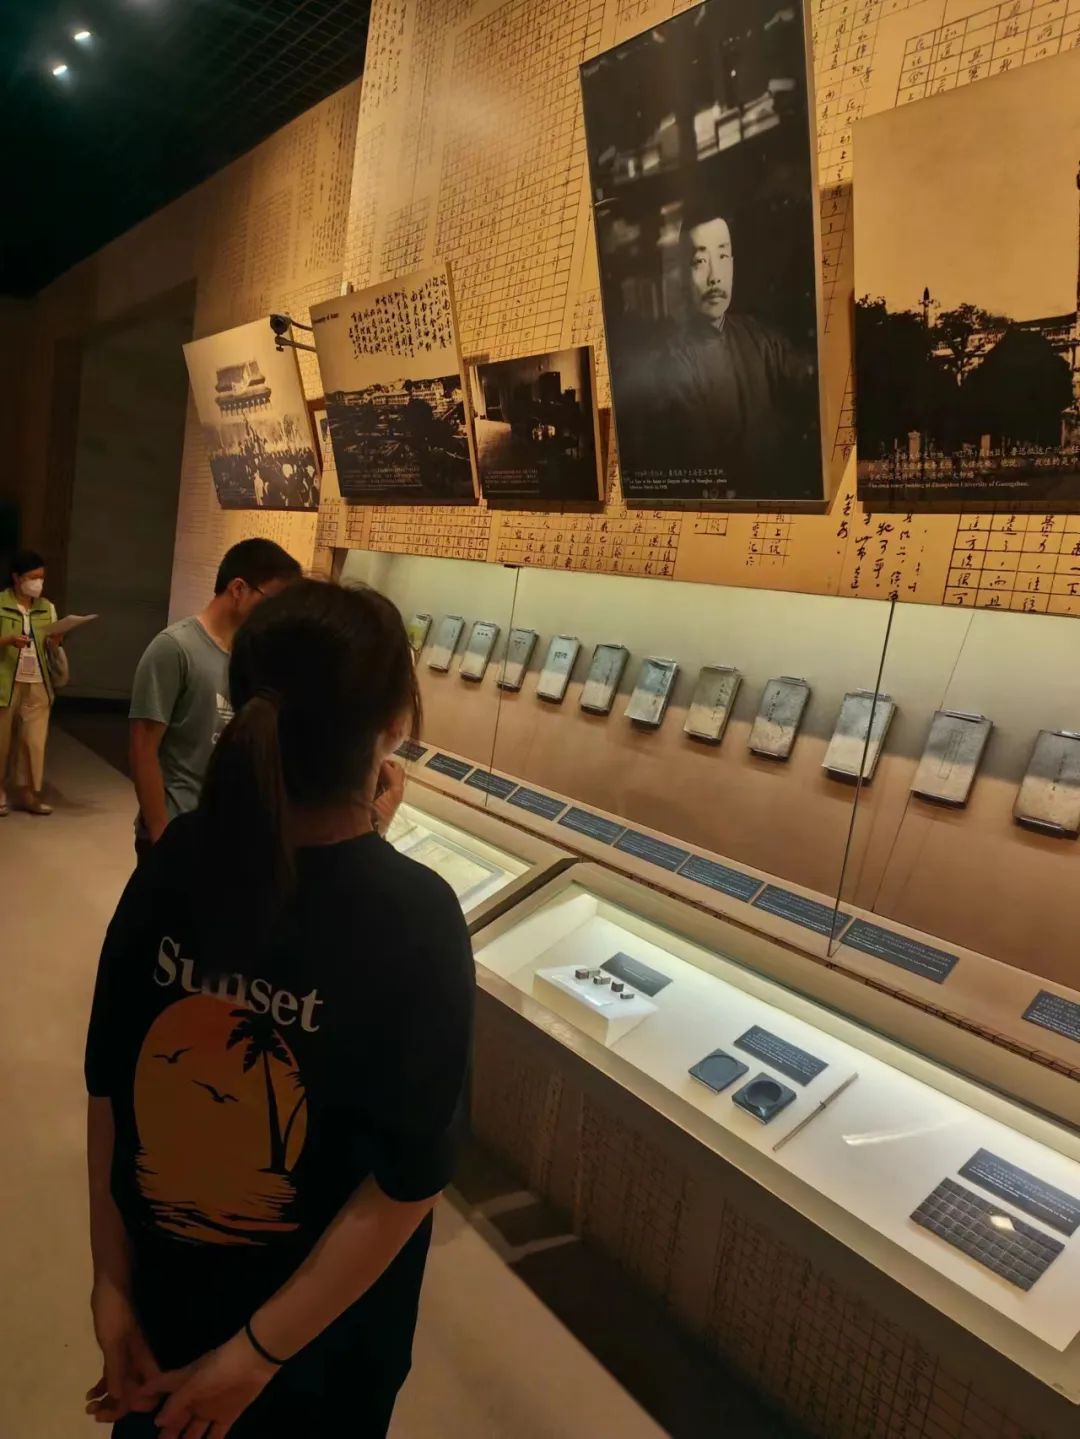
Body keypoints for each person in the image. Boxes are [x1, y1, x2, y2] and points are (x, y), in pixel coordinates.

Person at [84, 579, 474, 1438]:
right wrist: (256, 1357)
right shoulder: (414, 917)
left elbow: (109, 1084)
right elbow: (408, 1178)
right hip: (319, 1360)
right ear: (393, 727)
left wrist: (111, 1282)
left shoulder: (177, 858)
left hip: (161, 1317)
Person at [129, 539, 301, 860]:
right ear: (238, 589)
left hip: (226, 833)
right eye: (273, 601)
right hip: (176, 829)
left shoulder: (251, 656)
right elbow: (143, 749)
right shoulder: (174, 648)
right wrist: (160, 833)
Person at [636, 205, 819, 500]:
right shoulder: (674, 362)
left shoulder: (759, 336)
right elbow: (704, 463)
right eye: (699, 261)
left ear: (732, 264)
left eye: (722, 257)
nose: (714, 277)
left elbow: (810, 379)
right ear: (683, 276)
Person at [0, 548, 64, 817]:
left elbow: (50, 642)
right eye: (33, 577)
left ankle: (28, 793)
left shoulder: (46, 608)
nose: (38, 583)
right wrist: (8, 640)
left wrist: (55, 641)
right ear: (17, 578)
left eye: (41, 578)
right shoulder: (1, 604)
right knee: (2, 740)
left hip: (38, 681)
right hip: (5, 681)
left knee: (33, 742)